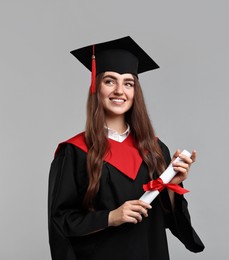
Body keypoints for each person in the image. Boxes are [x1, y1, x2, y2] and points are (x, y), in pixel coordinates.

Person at [48, 36, 204, 260]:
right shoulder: (74, 152)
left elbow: (169, 220)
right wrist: (110, 217)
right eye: (110, 81)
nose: (120, 90)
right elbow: (61, 221)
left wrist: (171, 186)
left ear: (135, 92)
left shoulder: (156, 149)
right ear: (96, 86)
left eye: (128, 83)